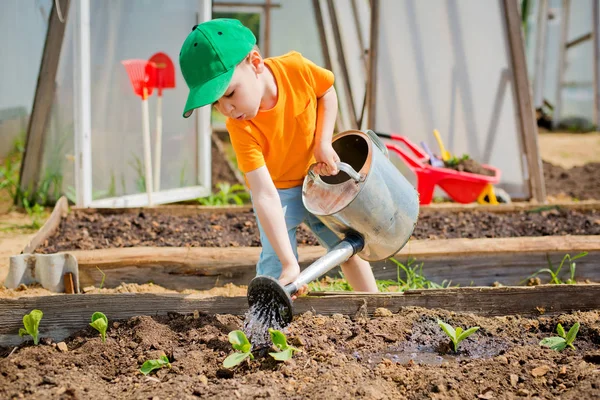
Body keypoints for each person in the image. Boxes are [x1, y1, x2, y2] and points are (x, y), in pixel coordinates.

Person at [179, 18, 378, 295]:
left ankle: (378, 307)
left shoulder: (296, 70)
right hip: (278, 193)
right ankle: (268, 329)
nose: (226, 108)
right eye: (216, 103)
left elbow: (327, 91)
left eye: (230, 93)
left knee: (346, 248)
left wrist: (322, 143)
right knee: (276, 266)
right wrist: (289, 263)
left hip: (319, 179)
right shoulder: (240, 126)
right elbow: (264, 194)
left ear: (256, 63)